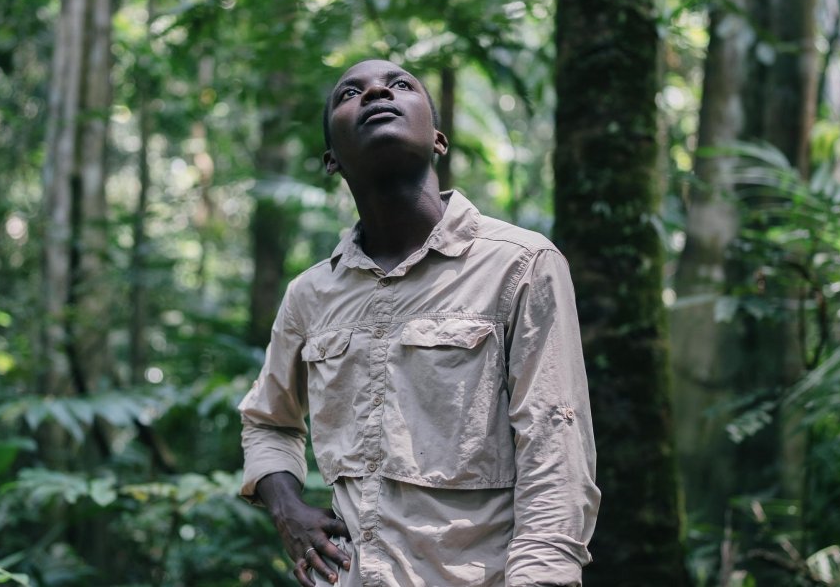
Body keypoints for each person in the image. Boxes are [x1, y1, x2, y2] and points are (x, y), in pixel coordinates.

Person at [239, 59, 599, 587]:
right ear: (332, 159)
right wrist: (286, 508)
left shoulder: (519, 265)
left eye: (400, 85)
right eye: (350, 93)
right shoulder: (310, 296)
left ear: (438, 139)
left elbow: (555, 456)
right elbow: (267, 421)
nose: (378, 92)